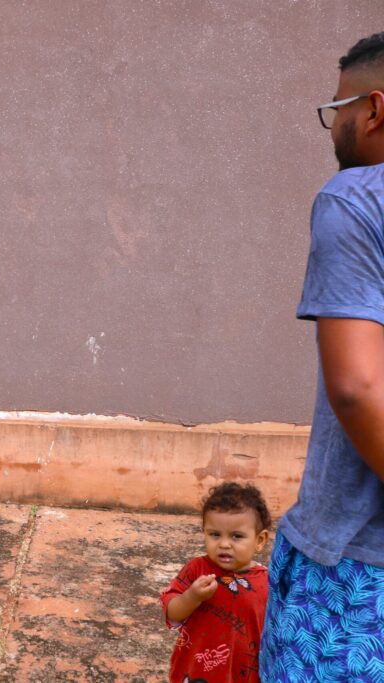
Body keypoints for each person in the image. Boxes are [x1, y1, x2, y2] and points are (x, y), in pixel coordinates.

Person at [260, 32, 384, 679]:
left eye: (337, 108)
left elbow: (357, 388)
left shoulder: (357, 197)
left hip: (357, 569)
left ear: (374, 109)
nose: (333, 126)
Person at [160, 482, 271, 683]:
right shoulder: (197, 569)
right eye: (215, 534)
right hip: (196, 672)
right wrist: (192, 597)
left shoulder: (268, 583)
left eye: (237, 536)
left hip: (244, 675)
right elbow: (172, 612)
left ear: (260, 540)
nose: (224, 544)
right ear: (204, 532)